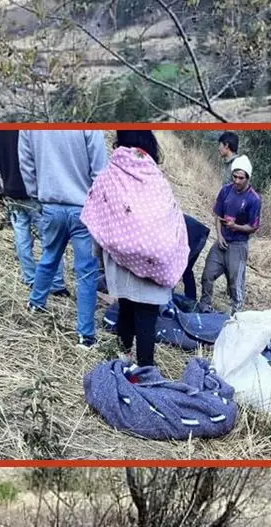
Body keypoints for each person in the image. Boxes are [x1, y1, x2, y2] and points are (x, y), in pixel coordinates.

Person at [85, 130, 187, 366]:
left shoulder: (109, 175)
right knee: (147, 318)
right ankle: (145, 370)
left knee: (125, 306)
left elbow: (98, 215)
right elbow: (172, 216)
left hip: (120, 259)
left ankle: (122, 360)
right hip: (154, 259)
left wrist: (99, 257)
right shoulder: (156, 179)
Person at [20, 129, 108, 348]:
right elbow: (100, 170)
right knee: (86, 272)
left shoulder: (30, 126)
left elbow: (26, 165)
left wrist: (36, 194)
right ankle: (85, 336)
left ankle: (35, 303)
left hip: (50, 204)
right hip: (84, 208)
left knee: (49, 257)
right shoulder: (88, 125)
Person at [0, 129, 69, 297]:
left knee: (21, 236)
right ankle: (56, 283)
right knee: (50, 239)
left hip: (11, 190)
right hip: (38, 190)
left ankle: (30, 278)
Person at [198, 155, 261, 315]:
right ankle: (204, 306)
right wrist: (219, 236)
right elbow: (218, 216)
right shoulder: (225, 190)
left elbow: (253, 227)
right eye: (235, 176)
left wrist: (236, 226)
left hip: (238, 245)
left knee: (235, 283)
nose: (237, 181)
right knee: (207, 275)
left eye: (241, 178)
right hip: (222, 241)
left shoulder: (253, 199)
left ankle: (236, 314)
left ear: (247, 178)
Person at [181, 214, 211, 305]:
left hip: (196, 237)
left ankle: (190, 302)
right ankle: (191, 300)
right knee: (186, 270)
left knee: (182, 267)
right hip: (198, 234)